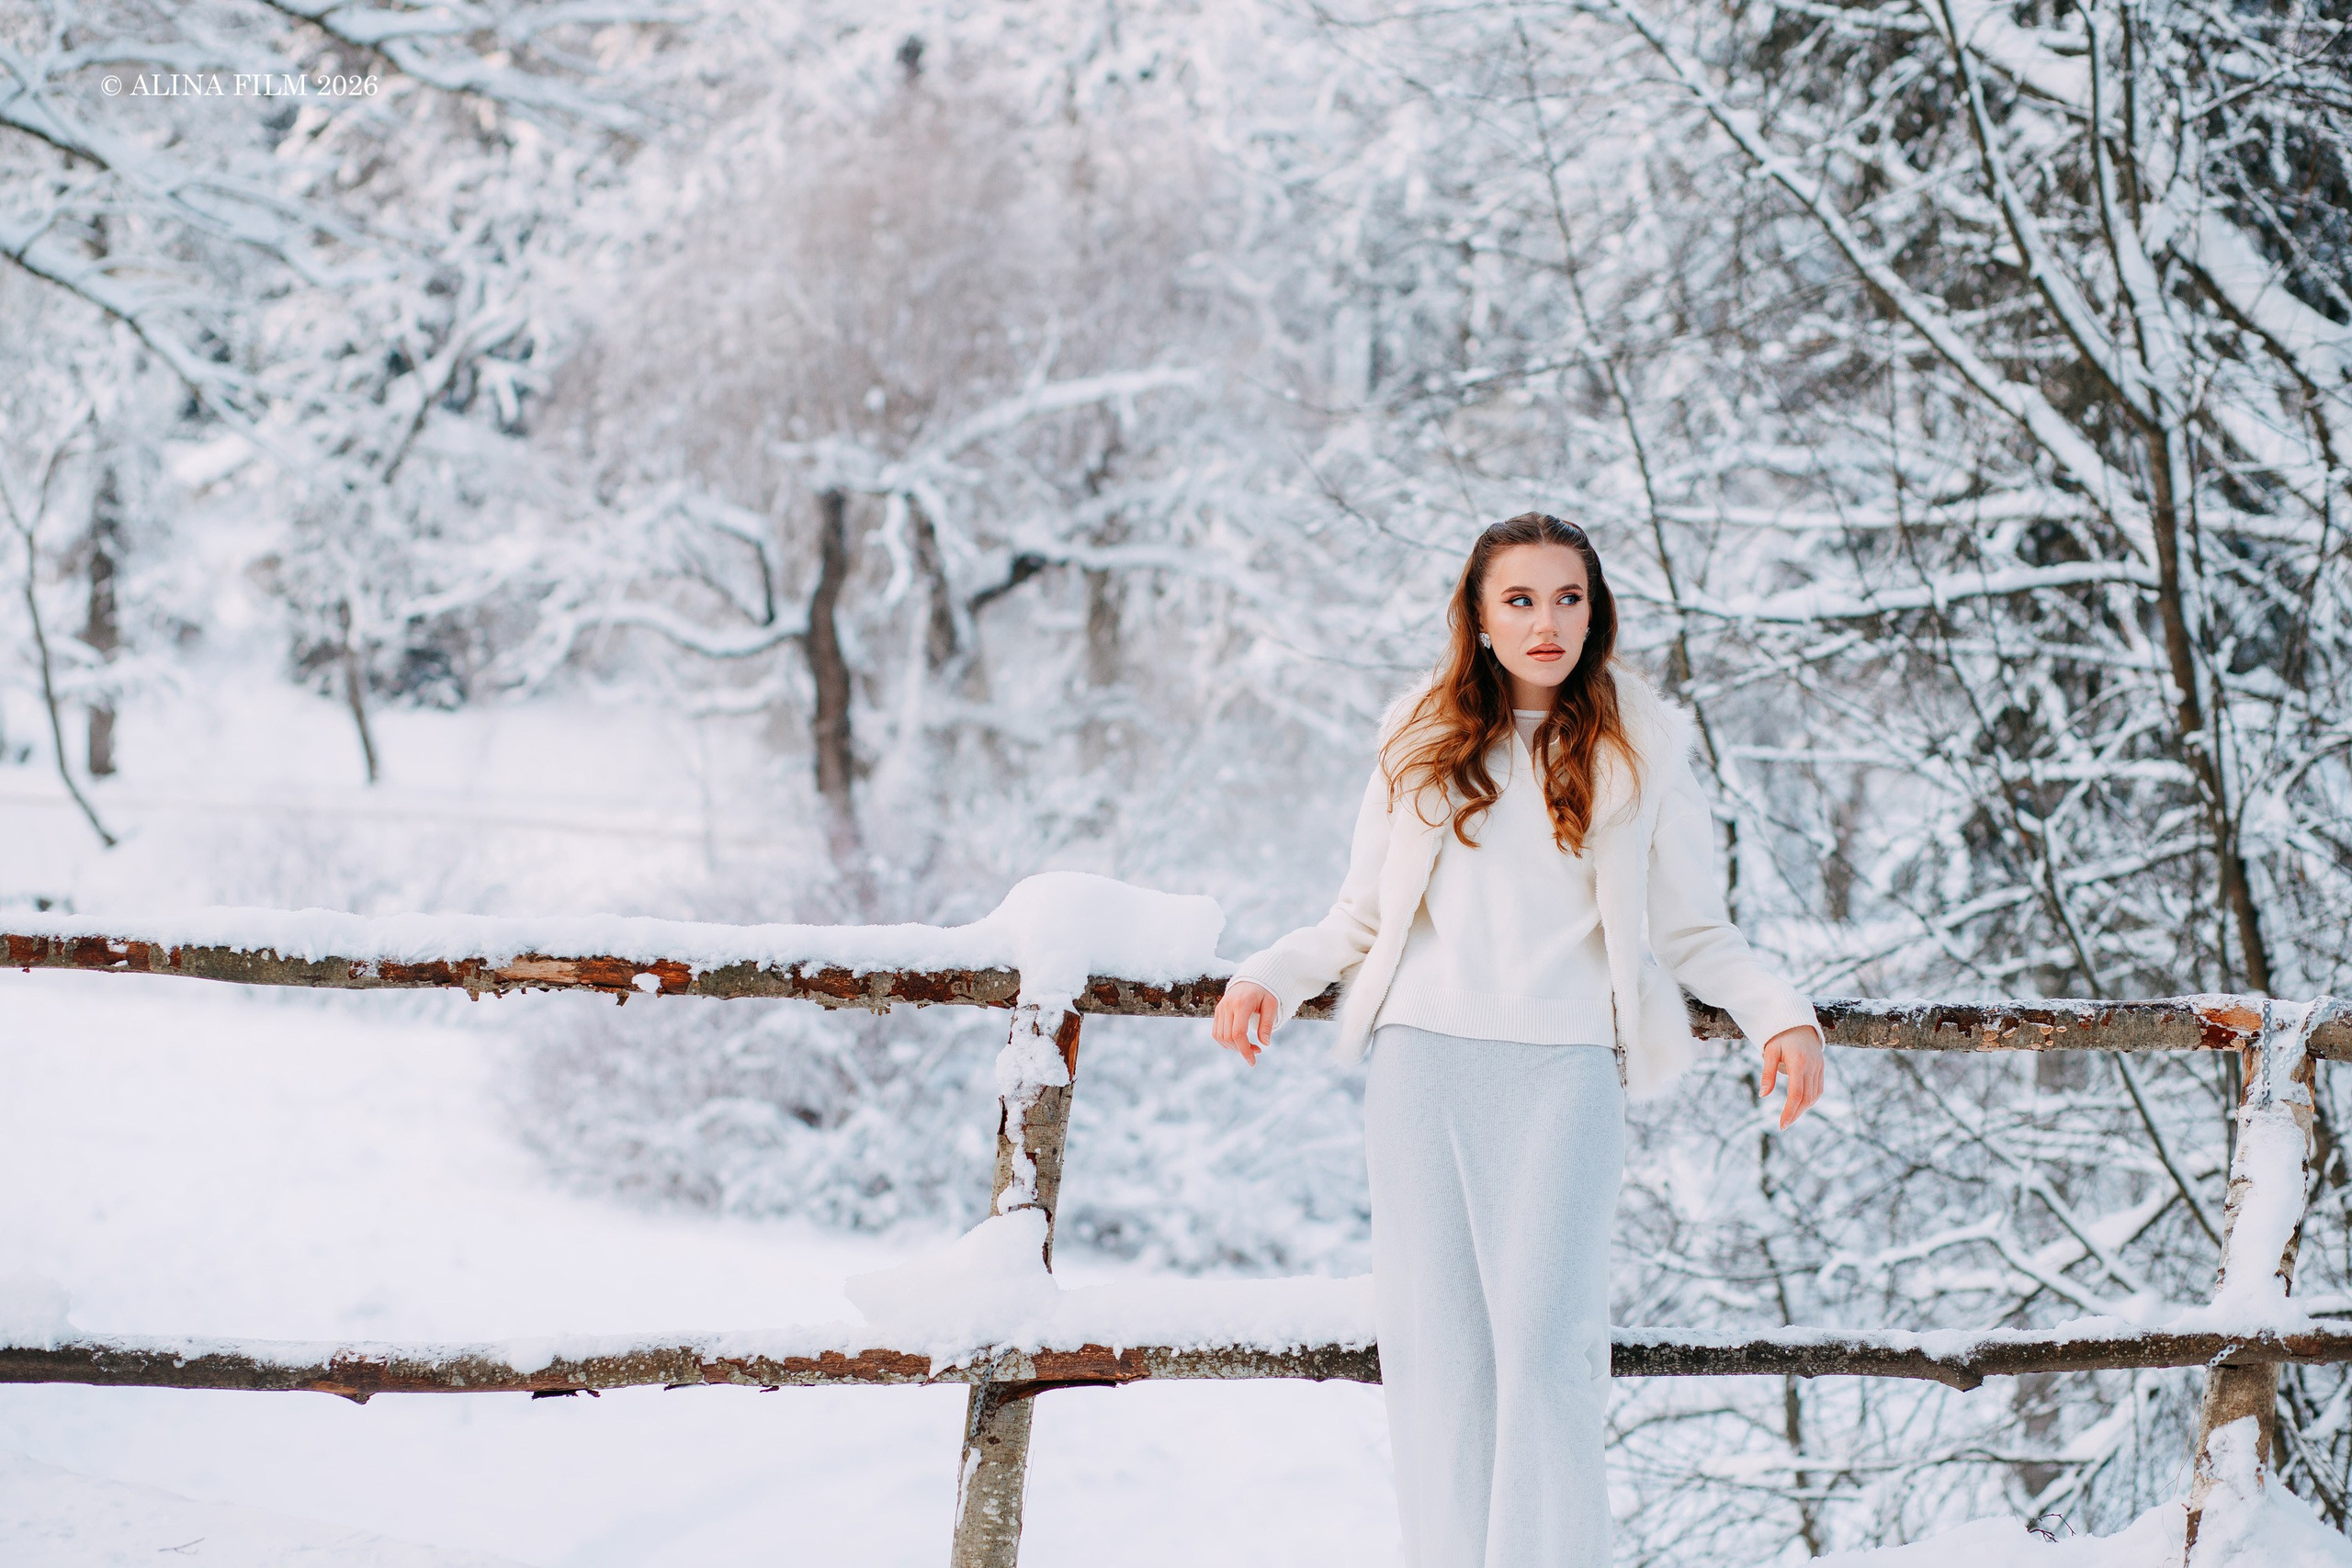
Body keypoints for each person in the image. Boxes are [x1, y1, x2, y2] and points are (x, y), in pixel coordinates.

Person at [1211, 512, 1826, 1568]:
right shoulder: (1419, 735)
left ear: (1595, 612)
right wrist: (1270, 972)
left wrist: (1781, 1014)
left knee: (1546, 1357)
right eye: (1521, 599)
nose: (1547, 622)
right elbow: (1359, 916)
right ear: (1480, 616)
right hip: (1423, 1069)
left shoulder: (1642, 745)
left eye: (1568, 597)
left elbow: (1692, 931)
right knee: (1441, 1366)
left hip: (1567, 1074)